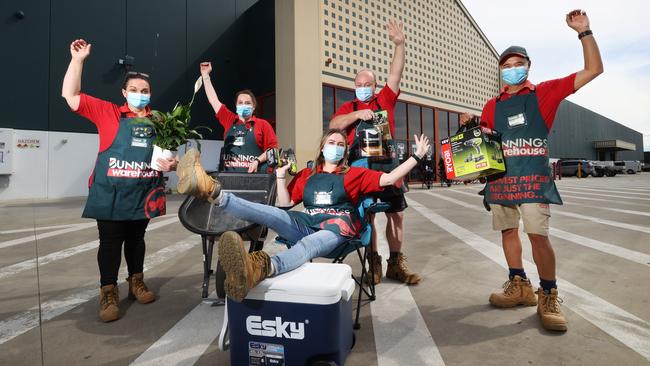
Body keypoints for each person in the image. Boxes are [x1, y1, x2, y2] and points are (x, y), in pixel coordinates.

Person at [176, 129, 430, 301]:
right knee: (271, 213)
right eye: (332, 143)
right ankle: (211, 189)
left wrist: (416, 156)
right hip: (307, 223)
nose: (336, 147)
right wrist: (280, 175)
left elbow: (388, 178)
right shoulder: (308, 175)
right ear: (322, 147)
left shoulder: (354, 173)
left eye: (341, 145)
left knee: (309, 244)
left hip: (337, 229)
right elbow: (286, 204)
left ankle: (257, 268)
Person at [479, 10, 603, 331]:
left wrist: (584, 32)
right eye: (506, 66)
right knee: (508, 232)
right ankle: (519, 285)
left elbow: (593, 69)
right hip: (503, 181)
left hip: (533, 180)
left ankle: (547, 293)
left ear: (528, 67)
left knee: (537, 235)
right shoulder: (491, 106)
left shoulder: (545, 93)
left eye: (518, 64)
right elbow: (486, 145)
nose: (512, 70)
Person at [61, 39, 178, 322]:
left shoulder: (161, 121)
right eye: (134, 90)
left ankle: (136, 281)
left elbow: (170, 155)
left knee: (137, 238)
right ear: (124, 93)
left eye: (145, 91)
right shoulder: (108, 113)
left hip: (144, 191)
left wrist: (172, 163)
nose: (140, 95)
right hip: (110, 191)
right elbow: (71, 95)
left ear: (151, 94)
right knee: (110, 241)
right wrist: (78, 60)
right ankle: (108, 290)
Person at [329, 20, 420, 285]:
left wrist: (400, 45)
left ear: (375, 84)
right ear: (354, 85)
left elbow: (396, 73)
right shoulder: (348, 106)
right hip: (361, 170)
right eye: (359, 83)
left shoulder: (385, 100)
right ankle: (374, 263)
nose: (363, 86)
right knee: (367, 216)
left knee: (396, 214)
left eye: (367, 83)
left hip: (388, 167)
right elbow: (334, 126)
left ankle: (396, 262)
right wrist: (358, 113)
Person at [199, 62, 277, 173]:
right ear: (236, 106)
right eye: (240, 103)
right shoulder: (230, 120)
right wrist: (205, 76)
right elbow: (213, 100)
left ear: (253, 106)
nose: (243, 105)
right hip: (230, 182)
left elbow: (273, 149)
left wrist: (257, 161)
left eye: (247, 103)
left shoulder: (262, 124)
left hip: (256, 182)